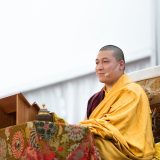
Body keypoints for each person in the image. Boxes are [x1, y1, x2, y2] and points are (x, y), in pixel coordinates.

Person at [80, 45, 155, 159]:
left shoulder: (132, 91)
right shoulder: (94, 99)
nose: (99, 67)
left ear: (121, 65)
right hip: (101, 142)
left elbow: (115, 128)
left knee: (91, 144)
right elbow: (86, 129)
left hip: (124, 150)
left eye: (105, 62)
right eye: (97, 63)